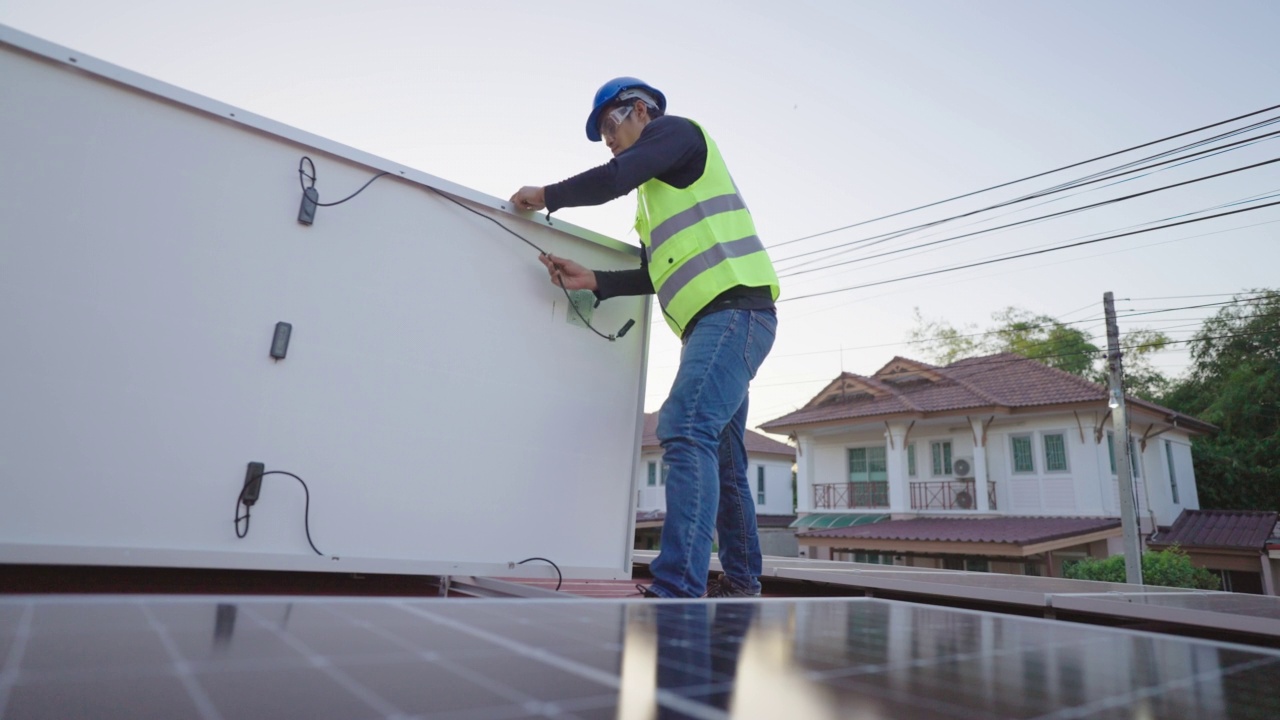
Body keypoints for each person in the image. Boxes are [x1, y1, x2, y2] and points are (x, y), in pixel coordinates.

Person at [511, 77, 779, 599]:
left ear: (639, 110)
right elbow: (654, 273)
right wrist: (594, 280)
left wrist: (546, 196)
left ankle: (679, 586)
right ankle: (742, 581)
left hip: (734, 312)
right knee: (721, 456)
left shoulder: (678, 134)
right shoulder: (651, 203)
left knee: (684, 427)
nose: (608, 140)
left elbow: (615, 176)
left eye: (610, 125)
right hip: (718, 323)